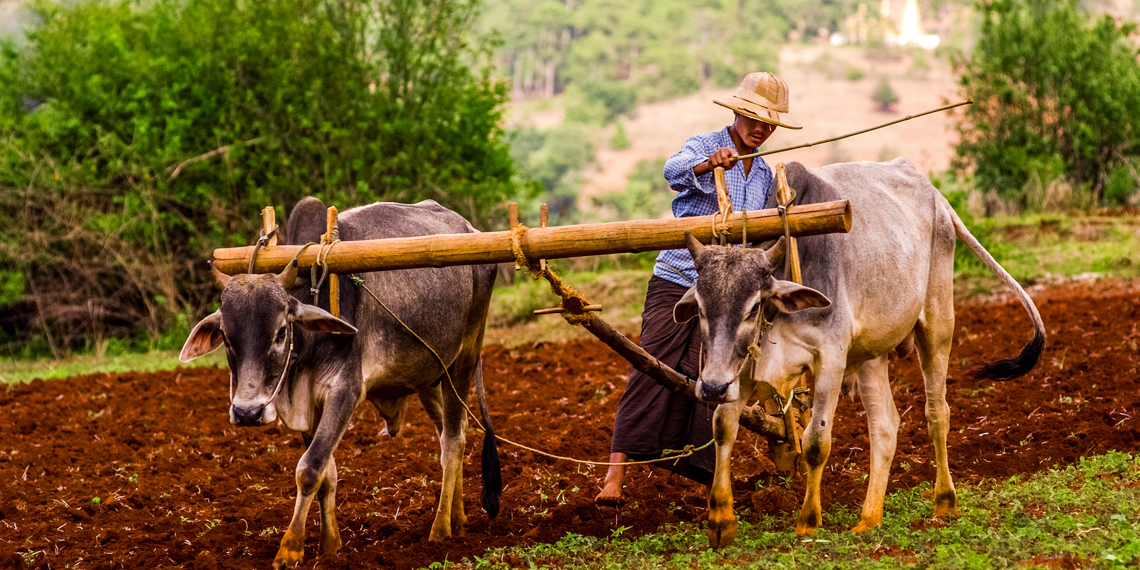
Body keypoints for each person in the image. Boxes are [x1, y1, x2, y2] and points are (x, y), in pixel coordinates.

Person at [596, 72, 802, 504]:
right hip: (679, 279)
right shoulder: (704, 145)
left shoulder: (764, 172)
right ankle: (613, 477)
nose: (760, 128)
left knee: (714, 374)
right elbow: (672, 170)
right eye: (753, 118)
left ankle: (711, 479)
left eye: (769, 122)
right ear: (736, 112)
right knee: (650, 366)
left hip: (729, 295)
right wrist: (710, 164)